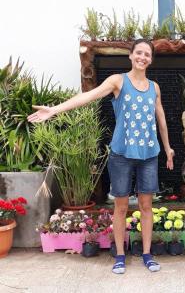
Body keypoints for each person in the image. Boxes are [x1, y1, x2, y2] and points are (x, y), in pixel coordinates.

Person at [28, 39, 175, 274]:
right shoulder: (118, 81)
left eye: (147, 54)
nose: (142, 57)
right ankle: (119, 256)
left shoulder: (154, 87)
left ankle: (147, 254)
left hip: (149, 154)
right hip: (121, 154)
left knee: (147, 206)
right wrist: (54, 110)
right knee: (121, 206)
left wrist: (167, 148)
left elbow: (162, 119)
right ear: (131, 55)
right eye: (139, 52)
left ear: (151, 59)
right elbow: (90, 96)